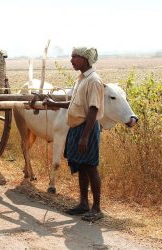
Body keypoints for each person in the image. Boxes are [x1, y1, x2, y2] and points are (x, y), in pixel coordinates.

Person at [43, 47, 104, 222]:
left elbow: (93, 110)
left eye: (75, 57)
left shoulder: (93, 80)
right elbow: (75, 103)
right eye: (72, 57)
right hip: (77, 127)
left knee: (91, 167)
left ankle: (97, 208)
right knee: (81, 166)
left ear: (85, 59)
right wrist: (55, 103)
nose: (71, 60)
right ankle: (83, 203)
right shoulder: (81, 79)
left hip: (87, 128)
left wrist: (85, 137)